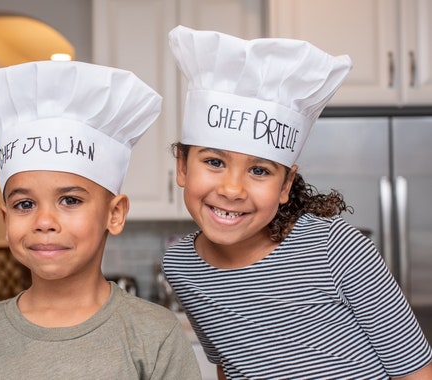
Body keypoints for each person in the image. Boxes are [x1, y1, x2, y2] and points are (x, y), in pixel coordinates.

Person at [162, 25, 432, 380]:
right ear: (182, 166)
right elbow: (228, 365)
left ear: (286, 184)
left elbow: (414, 372)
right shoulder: (182, 265)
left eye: (259, 170)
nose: (232, 189)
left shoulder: (337, 248)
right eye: (214, 162)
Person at [0, 60, 201, 380]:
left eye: (70, 200)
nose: (45, 221)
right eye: (25, 204)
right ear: (5, 219)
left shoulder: (155, 336)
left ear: (114, 214)